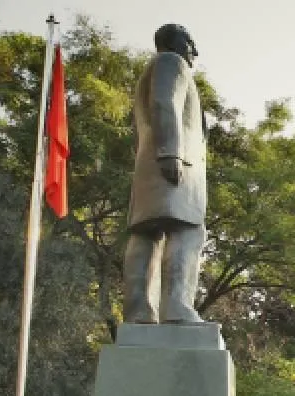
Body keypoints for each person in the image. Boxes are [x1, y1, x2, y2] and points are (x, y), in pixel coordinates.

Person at [124, 24, 207, 324]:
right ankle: (177, 306)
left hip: (150, 163)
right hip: (172, 161)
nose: (194, 51)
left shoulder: (152, 70)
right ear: (176, 43)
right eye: (190, 41)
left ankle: (138, 312)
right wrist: (172, 152)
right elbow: (164, 102)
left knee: (147, 233)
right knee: (188, 230)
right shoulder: (172, 62)